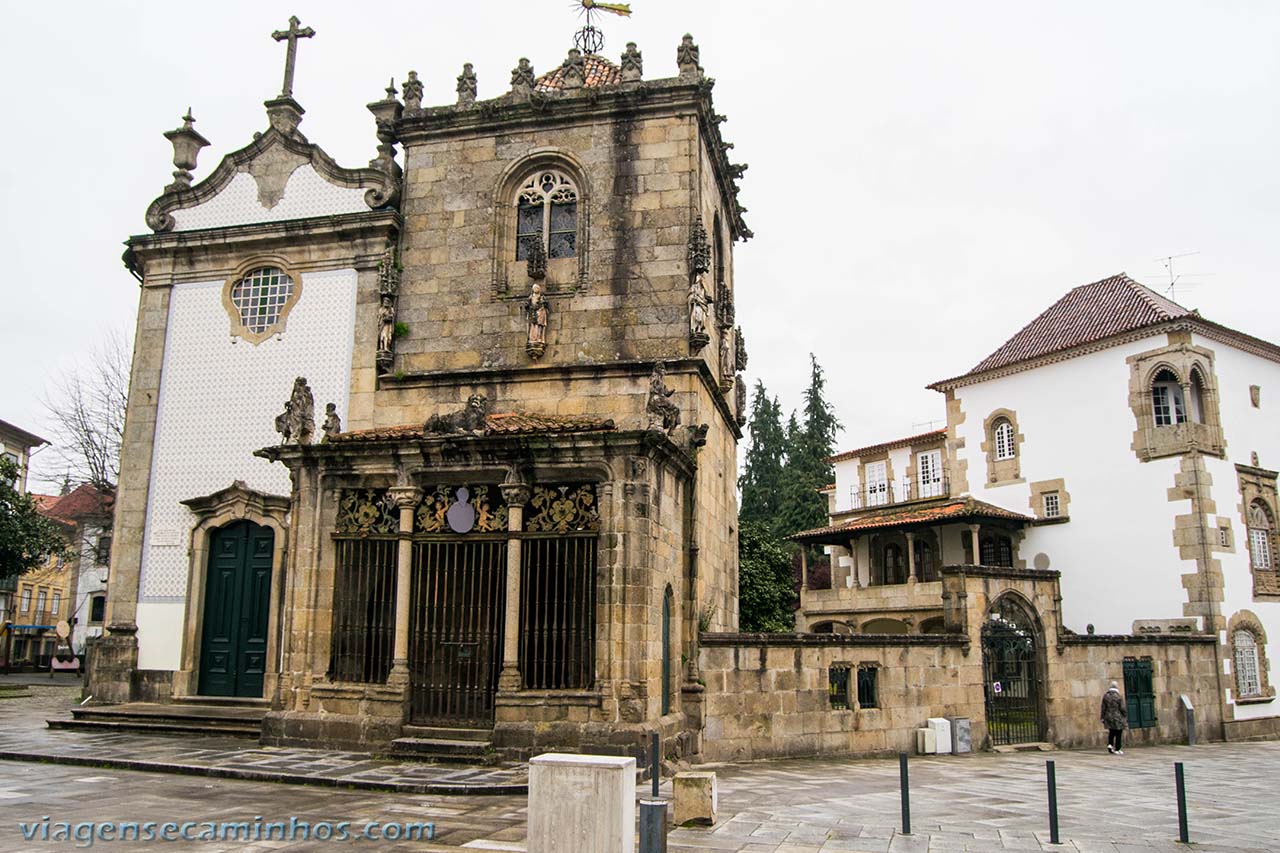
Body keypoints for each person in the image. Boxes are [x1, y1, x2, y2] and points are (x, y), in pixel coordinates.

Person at [1100, 680, 1127, 754]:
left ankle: (1110, 745)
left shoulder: (1105, 696)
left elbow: (1103, 707)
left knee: (1111, 731)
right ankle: (1118, 748)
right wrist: (1125, 714)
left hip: (1108, 716)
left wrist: (1102, 717)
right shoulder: (1118, 696)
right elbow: (1122, 708)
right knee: (1119, 732)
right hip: (1117, 717)